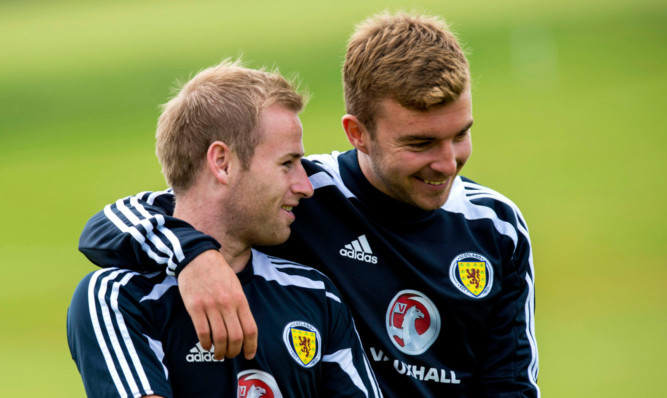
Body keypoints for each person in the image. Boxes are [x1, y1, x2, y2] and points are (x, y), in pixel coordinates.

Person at [78, 12, 539, 397]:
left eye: (460, 135)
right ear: (357, 133)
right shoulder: (303, 193)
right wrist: (195, 256)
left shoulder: (495, 227)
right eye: (420, 143)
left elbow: (509, 384)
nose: (447, 163)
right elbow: (127, 217)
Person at [67, 60, 381, 398]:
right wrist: (195, 256)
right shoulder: (120, 298)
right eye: (287, 164)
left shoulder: (316, 293)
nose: (306, 186)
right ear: (222, 163)